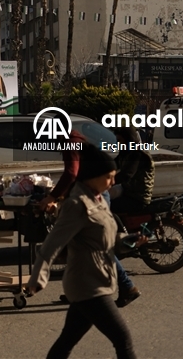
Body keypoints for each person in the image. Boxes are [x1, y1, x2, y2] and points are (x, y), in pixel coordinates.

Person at [25, 147, 138, 359]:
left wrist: (130, 242)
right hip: (87, 285)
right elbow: (52, 244)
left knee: (67, 341)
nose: (112, 182)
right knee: (122, 339)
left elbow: (108, 241)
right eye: (108, 177)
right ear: (92, 177)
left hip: (99, 279)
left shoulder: (99, 200)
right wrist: (37, 277)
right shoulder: (76, 205)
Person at [38, 129, 141, 309]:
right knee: (80, 245)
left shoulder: (70, 144)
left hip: (92, 197)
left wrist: (53, 196)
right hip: (93, 195)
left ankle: (127, 286)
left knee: (96, 246)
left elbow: (71, 173)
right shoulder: (77, 140)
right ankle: (79, 292)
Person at [109, 127, 154, 215]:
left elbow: (127, 174)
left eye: (119, 140)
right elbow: (112, 166)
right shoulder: (125, 153)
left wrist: (108, 181)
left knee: (108, 206)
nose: (117, 143)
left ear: (128, 140)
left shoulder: (137, 154)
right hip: (128, 192)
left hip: (138, 198)